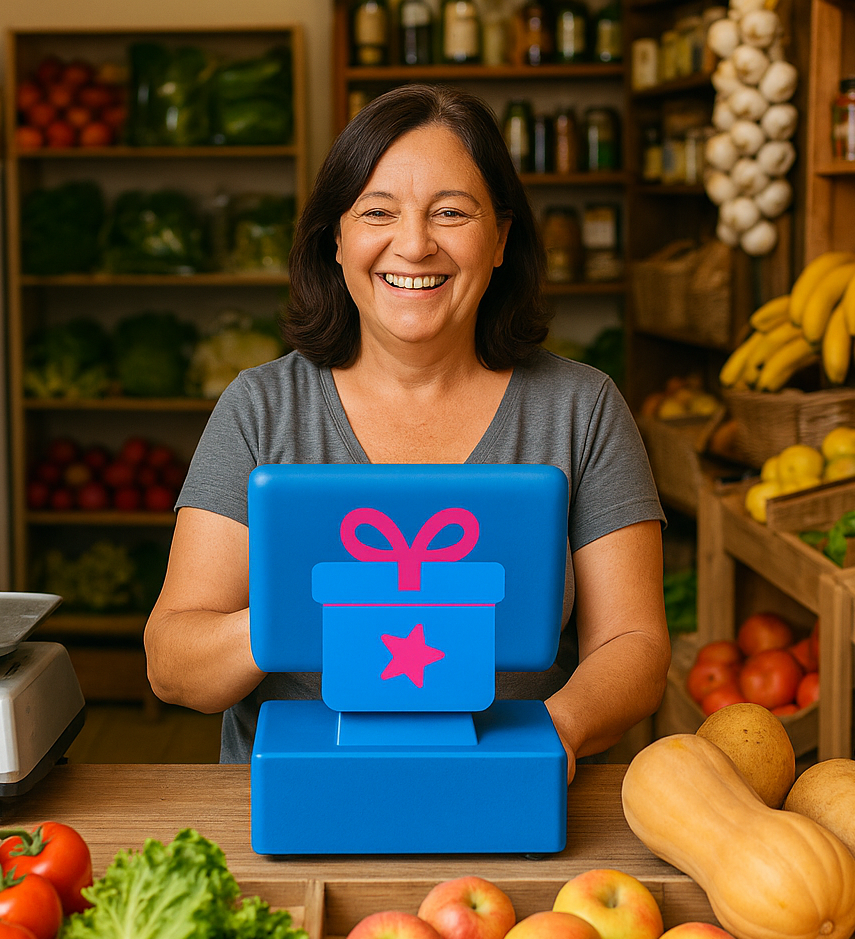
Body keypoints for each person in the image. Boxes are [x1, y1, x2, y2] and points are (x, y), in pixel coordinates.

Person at [144, 84, 670, 782]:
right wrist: (302, 616)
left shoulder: (583, 407)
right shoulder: (259, 409)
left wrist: (548, 740)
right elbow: (174, 668)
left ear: (502, 238)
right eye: (377, 212)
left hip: (511, 798)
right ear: (337, 238)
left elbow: (634, 644)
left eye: (451, 212)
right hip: (300, 801)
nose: (415, 244)